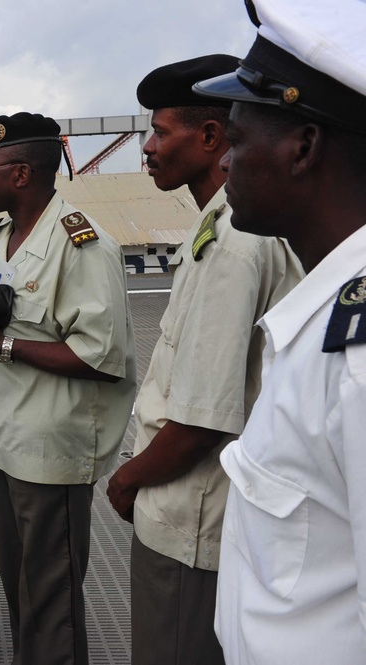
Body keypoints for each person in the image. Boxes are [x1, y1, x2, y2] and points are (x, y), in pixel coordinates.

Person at [104, 56, 302, 665]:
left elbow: (201, 419)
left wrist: (126, 480)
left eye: (162, 132)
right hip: (196, 510)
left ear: (212, 137)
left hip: (191, 518)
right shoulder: (217, 229)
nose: (147, 148)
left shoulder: (236, 242)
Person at [192, 1, 366, 661]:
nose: (226, 165)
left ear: (303, 147)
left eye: (236, 140)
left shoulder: (356, 358)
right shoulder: (325, 320)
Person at [0, 112, 136, 665]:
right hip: (0, 439)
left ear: (21, 174)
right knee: (21, 588)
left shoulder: (82, 243)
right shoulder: (1, 233)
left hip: (50, 451)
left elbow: (103, 357)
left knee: (50, 597)